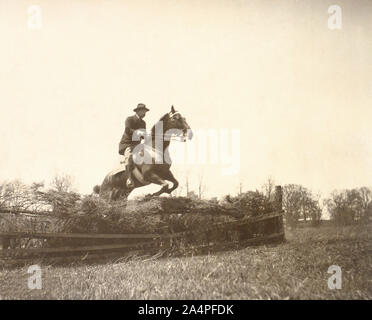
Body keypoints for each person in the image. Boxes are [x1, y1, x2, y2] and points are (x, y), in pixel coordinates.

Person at [118, 103, 149, 187]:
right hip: (127, 144)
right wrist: (138, 132)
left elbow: (143, 136)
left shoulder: (143, 123)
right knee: (129, 156)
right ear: (138, 111)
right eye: (143, 111)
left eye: (145, 111)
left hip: (137, 146)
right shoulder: (129, 119)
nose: (145, 113)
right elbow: (128, 130)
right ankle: (129, 179)